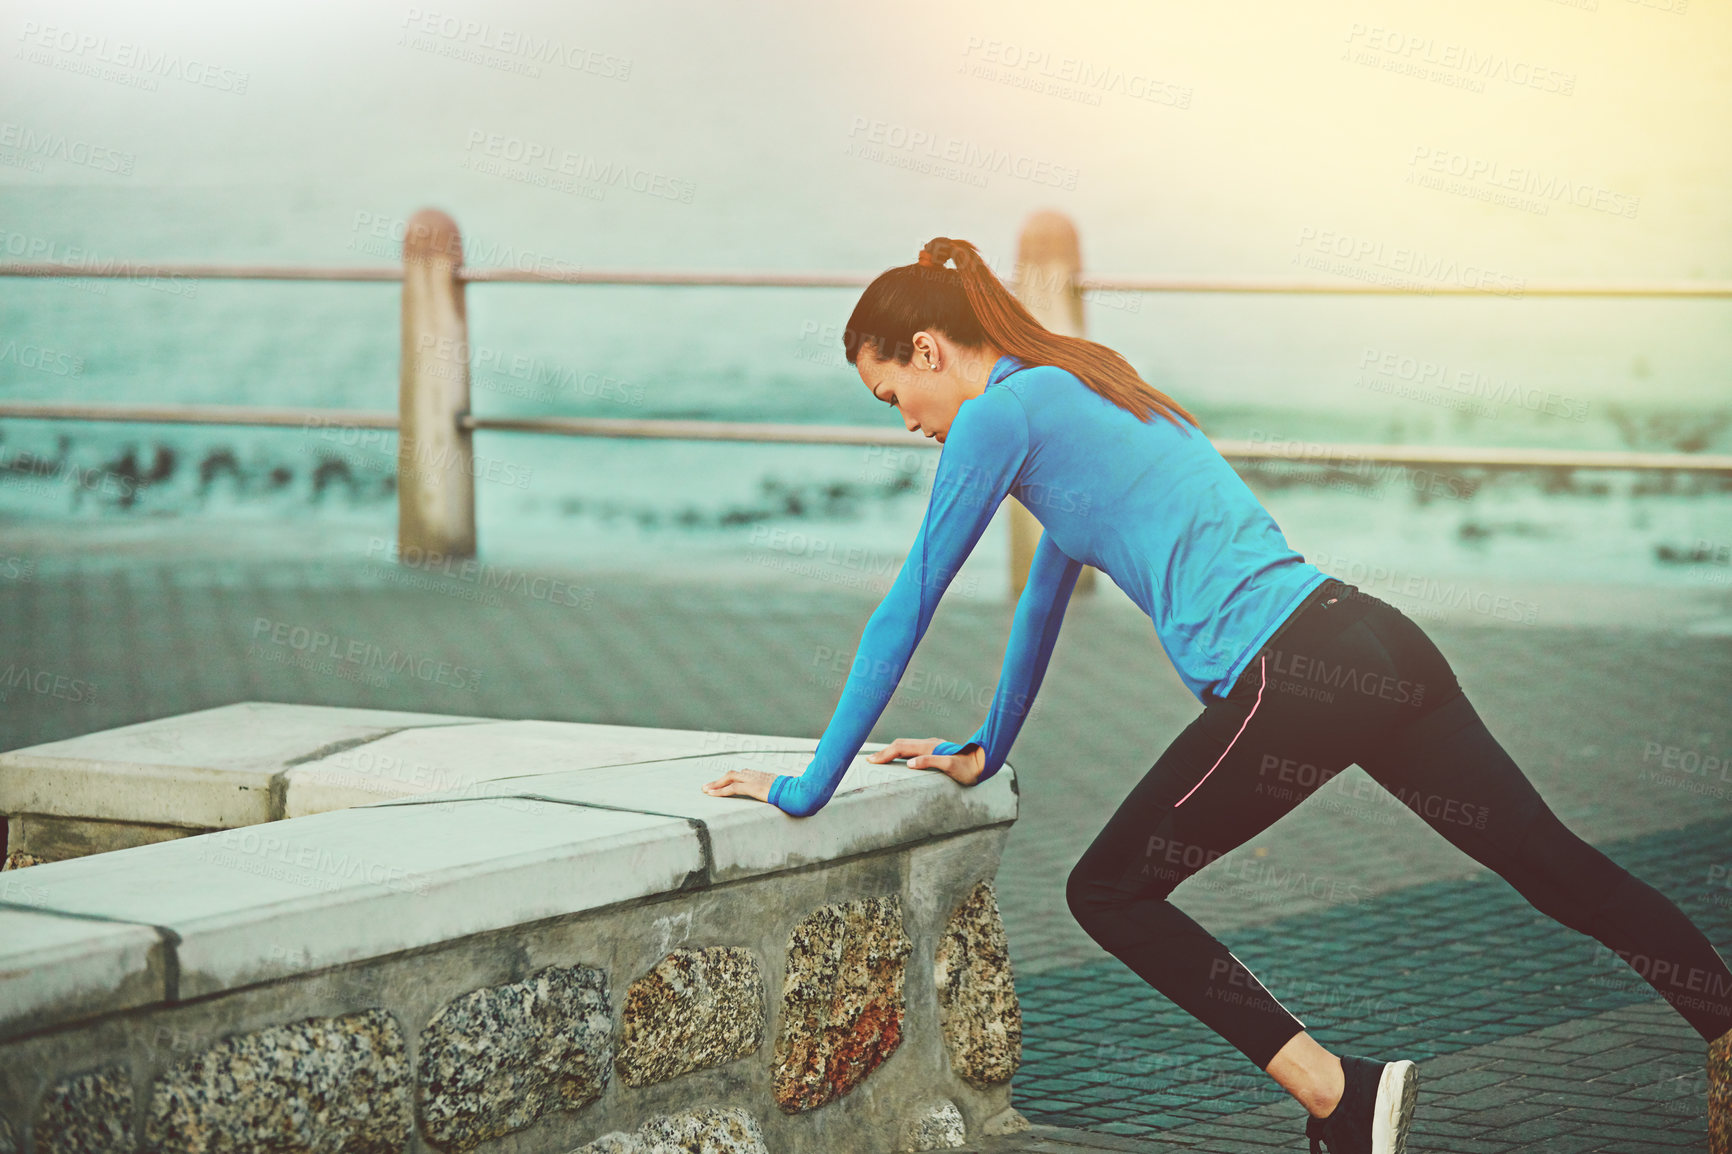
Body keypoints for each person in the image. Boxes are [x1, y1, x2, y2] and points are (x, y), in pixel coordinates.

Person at [700, 236, 1732, 1154]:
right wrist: (985, 742)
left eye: (893, 397)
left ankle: (1339, 1094)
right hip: (1369, 634)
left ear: (927, 348)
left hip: (1292, 671)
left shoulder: (996, 417)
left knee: (1106, 892)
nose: (909, 425)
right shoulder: (1079, 386)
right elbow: (1043, 603)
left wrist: (809, 785)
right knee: (1554, 865)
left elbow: (907, 603)